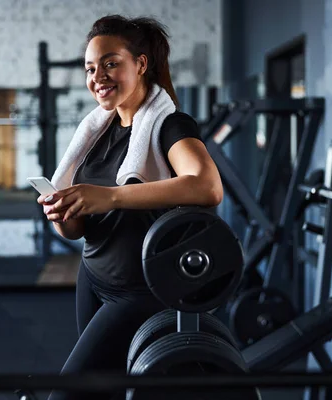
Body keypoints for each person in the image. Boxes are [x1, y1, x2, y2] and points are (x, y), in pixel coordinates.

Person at [37, 15, 223, 400]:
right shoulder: (97, 131)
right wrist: (64, 216)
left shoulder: (170, 125)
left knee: (67, 394)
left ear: (140, 64)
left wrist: (110, 196)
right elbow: (82, 227)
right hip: (93, 278)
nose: (98, 76)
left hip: (140, 290)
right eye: (90, 68)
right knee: (104, 393)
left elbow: (207, 186)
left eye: (110, 63)